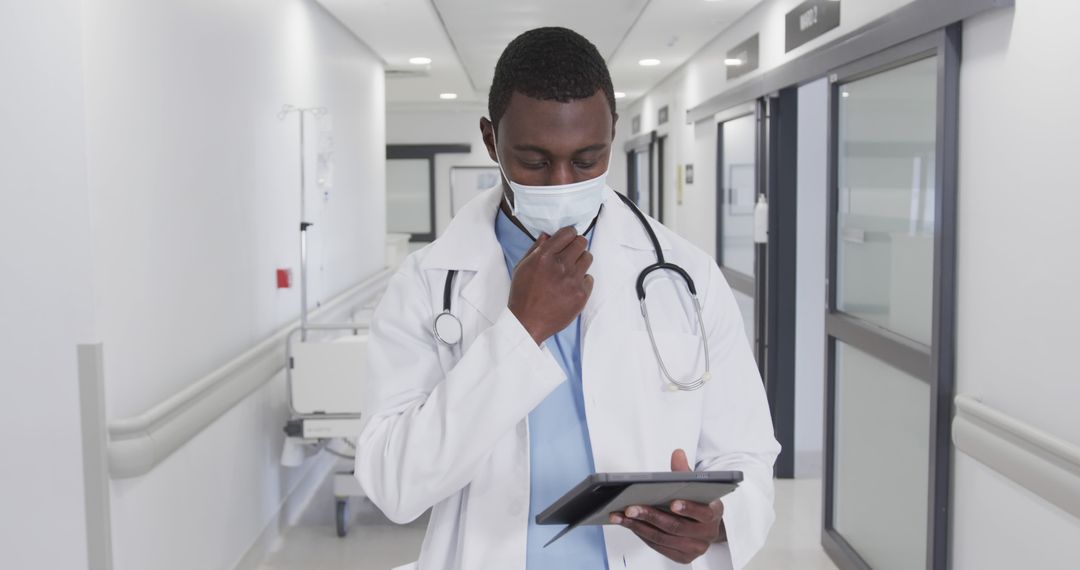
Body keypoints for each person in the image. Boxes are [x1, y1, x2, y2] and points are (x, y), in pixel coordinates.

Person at [354, 27, 779, 570]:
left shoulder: (686, 275)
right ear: (491, 140)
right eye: (533, 161)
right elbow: (395, 484)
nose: (559, 183)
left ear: (612, 135)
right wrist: (520, 331)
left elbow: (747, 452)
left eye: (586, 160)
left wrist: (719, 524)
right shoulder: (425, 284)